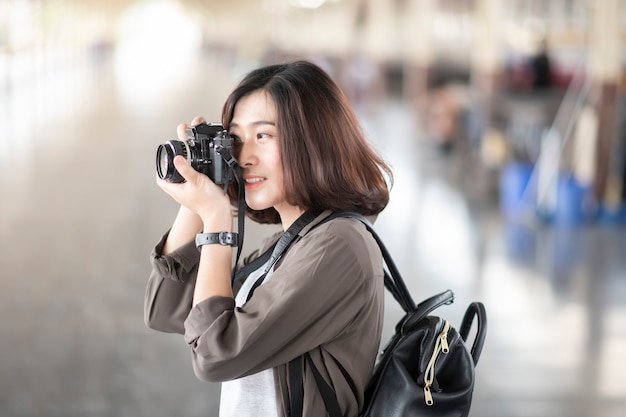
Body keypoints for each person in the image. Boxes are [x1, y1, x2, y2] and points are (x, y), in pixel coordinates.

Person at [144, 60, 393, 417]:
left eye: (264, 135)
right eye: (236, 140)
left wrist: (217, 221)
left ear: (314, 141)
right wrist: (199, 187)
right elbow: (167, 311)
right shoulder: (287, 245)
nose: (244, 157)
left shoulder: (338, 246)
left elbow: (214, 354)